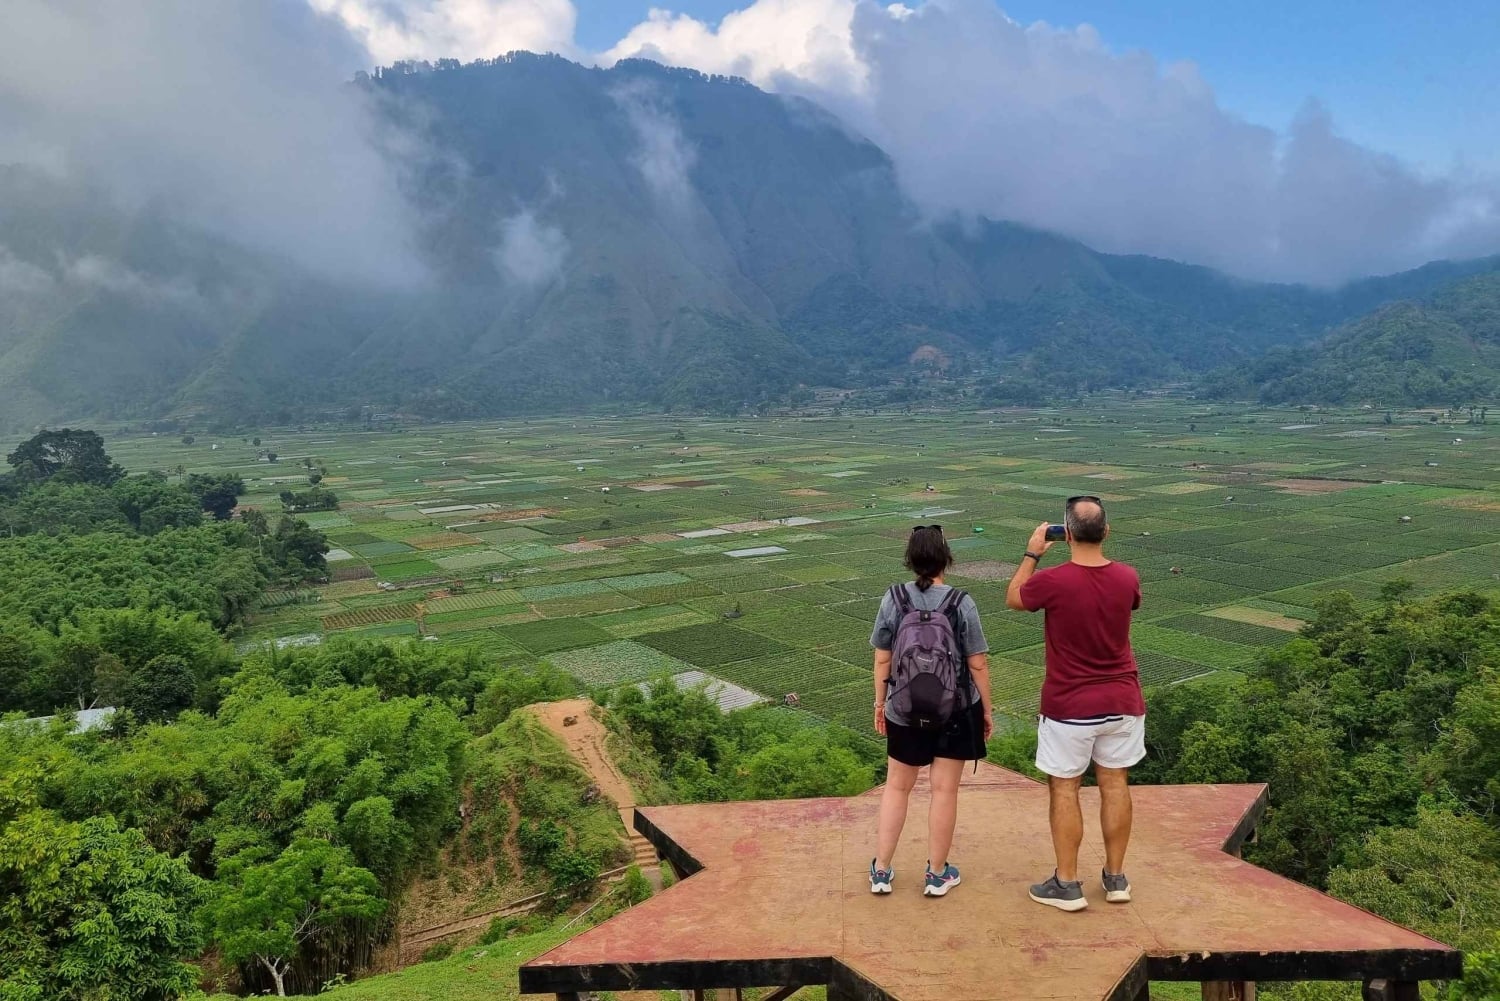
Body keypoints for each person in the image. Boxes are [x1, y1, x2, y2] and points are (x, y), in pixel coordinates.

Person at [1005, 496, 1145, 912]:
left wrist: (1032, 552)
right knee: (1115, 784)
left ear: (1065, 534)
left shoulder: (1054, 581)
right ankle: (1116, 878)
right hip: (1122, 699)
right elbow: (1129, 603)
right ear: (1106, 532)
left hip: (1069, 705)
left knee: (1065, 788)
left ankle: (1066, 884)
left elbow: (1014, 597)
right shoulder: (1127, 577)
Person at [870, 525, 994, 898]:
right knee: (944, 791)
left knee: (896, 787)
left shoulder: (893, 599)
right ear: (946, 558)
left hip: (903, 709)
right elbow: (978, 664)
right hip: (955, 709)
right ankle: (937, 874)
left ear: (910, 560)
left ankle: (881, 871)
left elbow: (881, 660)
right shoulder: (961, 602)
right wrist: (985, 710)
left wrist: (880, 704)